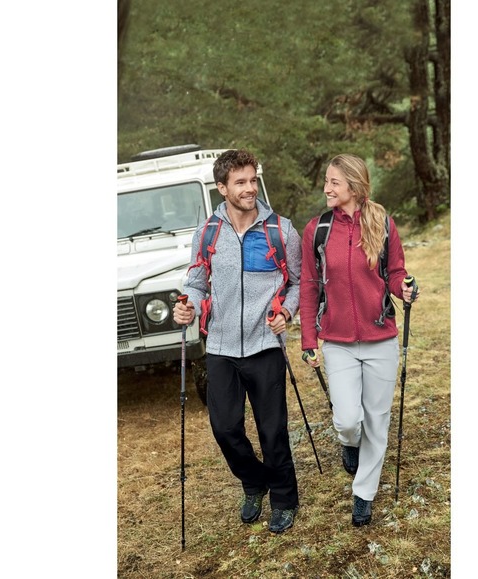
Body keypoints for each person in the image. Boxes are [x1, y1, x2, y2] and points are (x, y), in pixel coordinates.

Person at [172, 149, 302, 534]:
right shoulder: (207, 234)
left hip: (265, 345)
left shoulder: (281, 231)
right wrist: (188, 306)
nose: (249, 188)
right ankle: (254, 481)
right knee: (225, 428)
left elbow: (299, 283)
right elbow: (196, 283)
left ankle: (284, 499)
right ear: (222, 188)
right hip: (221, 347)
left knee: (272, 430)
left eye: (252, 180)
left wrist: (287, 312)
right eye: (240, 182)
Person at [299, 153, 418, 527]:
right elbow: (309, 286)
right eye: (326, 181)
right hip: (337, 340)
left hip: (380, 336)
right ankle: (350, 443)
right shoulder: (317, 230)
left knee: (377, 421)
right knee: (348, 419)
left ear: (353, 185)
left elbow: (395, 272)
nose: (326, 188)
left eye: (333, 182)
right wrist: (308, 339)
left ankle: (364, 493)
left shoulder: (383, 223)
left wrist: (404, 288)